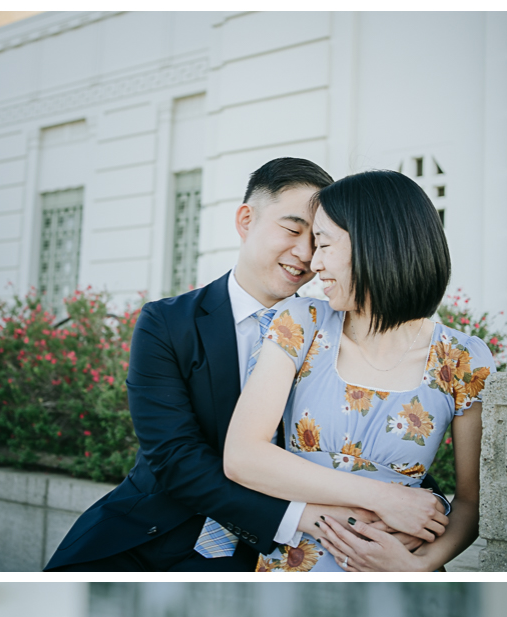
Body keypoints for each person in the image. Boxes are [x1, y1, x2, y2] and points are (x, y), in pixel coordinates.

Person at [44, 158, 448, 572]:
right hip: (157, 536)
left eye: (320, 239)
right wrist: (302, 517)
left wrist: (430, 504)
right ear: (245, 219)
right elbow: (174, 459)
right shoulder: (167, 323)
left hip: (275, 559)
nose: (306, 254)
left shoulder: (341, 328)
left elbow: (367, 435)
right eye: (292, 230)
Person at [223, 170, 495, 572]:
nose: (314, 263)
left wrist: (418, 567)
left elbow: (473, 501)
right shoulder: (300, 323)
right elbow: (243, 456)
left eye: (324, 244)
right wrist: (385, 498)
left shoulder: (462, 358)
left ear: (375, 245)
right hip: (294, 567)